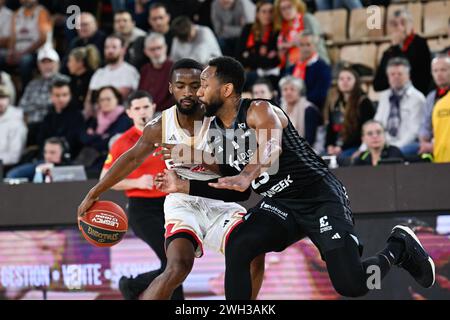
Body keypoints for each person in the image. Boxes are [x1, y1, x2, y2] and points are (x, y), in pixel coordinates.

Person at [155, 56, 435, 300]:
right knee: (239, 245)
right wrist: (187, 185)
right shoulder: (215, 130)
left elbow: (271, 146)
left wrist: (247, 174)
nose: (198, 91)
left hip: (319, 197)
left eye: (204, 84)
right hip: (281, 203)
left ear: (226, 89)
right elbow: (236, 190)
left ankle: (398, 248)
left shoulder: (259, 110)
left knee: (353, 285)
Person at [77, 59, 264, 300]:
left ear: (204, 86)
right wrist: (94, 192)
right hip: (182, 203)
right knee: (177, 266)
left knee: (254, 254)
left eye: (195, 85)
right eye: (181, 85)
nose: (188, 92)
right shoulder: (160, 126)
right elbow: (131, 158)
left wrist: (199, 157)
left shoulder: (221, 121)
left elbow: (237, 179)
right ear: (170, 88)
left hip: (219, 201)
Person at [101, 91, 184, 300]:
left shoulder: (168, 133)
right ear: (129, 112)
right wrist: (137, 182)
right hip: (142, 208)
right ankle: (132, 285)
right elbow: (105, 179)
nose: (142, 112)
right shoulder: (123, 142)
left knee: (177, 262)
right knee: (173, 262)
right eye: (136, 108)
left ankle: (132, 285)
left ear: (154, 107)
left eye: (145, 107)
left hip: (172, 204)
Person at [373, 9, 432, 95]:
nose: (399, 28)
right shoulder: (388, 52)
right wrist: (395, 48)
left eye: (403, 23)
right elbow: (377, 85)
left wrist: (396, 49)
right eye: (395, 24)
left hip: (417, 95)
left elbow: (413, 74)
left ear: (411, 24)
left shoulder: (420, 44)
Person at [374, 57, 425, 155]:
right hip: (385, 145)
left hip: (408, 144)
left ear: (408, 76)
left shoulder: (417, 98)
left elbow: (414, 131)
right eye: (392, 74)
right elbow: (377, 123)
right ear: (388, 77)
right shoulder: (384, 96)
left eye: (400, 74)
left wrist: (395, 148)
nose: (396, 77)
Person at [325, 66, 375, 159]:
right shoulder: (335, 103)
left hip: (355, 146)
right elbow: (330, 129)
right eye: (341, 79)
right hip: (337, 147)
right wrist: (330, 145)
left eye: (349, 78)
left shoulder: (364, 102)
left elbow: (363, 131)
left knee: (342, 159)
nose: (345, 81)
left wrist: (341, 148)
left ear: (356, 81)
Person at [80, 86, 132, 175]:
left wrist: (95, 136)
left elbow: (108, 142)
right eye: (102, 100)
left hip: (113, 160)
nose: (105, 102)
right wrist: (102, 137)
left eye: (108, 99)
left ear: (117, 99)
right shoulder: (96, 118)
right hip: (94, 159)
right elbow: (84, 138)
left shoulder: (124, 119)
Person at [85, 35, 140, 118]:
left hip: (122, 119)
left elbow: (130, 99)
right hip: (97, 119)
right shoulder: (99, 73)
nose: (110, 51)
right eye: (107, 47)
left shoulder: (130, 72)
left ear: (123, 50)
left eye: (114, 47)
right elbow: (88, 100)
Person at [1, 0, 52, 88]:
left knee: (25, 61)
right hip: (18, 51)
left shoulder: (42, 12)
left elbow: (43, 39)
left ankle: (25, 90)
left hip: (37, 51)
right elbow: (13, 38)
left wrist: (23, 53)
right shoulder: (16, 13)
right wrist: (11, 52)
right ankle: (6, 88)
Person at [18, 46, 61, 146]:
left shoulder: (63, 82)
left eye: (50, 62)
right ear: (38, 65)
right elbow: (22, 107)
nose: (47, 66)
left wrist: (34, 105)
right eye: (43, 63)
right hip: (30, 126)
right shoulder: (32, 84)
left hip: (52, 125)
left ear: (57, 64)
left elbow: (55, 104)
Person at [236, 0, 280, 91]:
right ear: (257, 14)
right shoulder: (248, 29)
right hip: (249, 72)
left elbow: (273, 61)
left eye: (270, 12)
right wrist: (263, 59)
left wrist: (249, 56)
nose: (267, 15)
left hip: (269, 74)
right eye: (264, 11)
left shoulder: (276, 32)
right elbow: (239, 56)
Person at [289, 30, 331, 111]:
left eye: (308, 45)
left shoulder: (322, 67)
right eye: (301, 45)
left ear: (315, 46)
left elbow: (320, 93)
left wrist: (299, 102)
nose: (305, 48)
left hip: (311, 108)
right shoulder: (292, 68)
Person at [418, 55, 450, 163]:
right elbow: (425, 124)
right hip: (434, 143)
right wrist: (424, 142)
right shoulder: (431, 97)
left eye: (443, 70)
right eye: (435, 71)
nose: (439, 74)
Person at [278, 75, 321, 146]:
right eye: (285, 89)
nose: (288, 92)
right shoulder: (279, 108)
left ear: (300, 92)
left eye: (292, 89)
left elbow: (310, 139)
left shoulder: (309, 109)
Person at [138, 33, 174, 112]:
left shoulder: (174, 68)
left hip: (167, 113)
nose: (157, 53)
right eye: (152, 49)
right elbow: (141, 94)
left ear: (165, 48)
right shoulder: (144, 70)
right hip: (146, 112)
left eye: (159, 48)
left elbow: (175, 97)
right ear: (146, 52)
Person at [0, 87, 27, 170]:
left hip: (7, 166)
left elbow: (14, 157)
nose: (0, 102)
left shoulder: (16, 121)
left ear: (9, 99)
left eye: (3, 98)